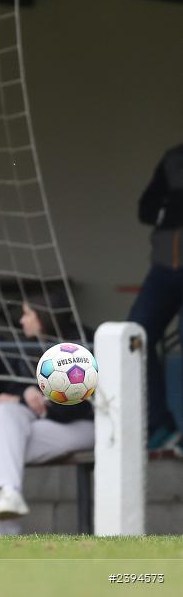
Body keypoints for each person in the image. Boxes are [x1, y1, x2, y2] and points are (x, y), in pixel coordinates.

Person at [0, 294, 94, 534]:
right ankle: (9, 492)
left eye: (28, 314)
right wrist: (26, 393)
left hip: (81, 427)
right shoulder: (27, 346)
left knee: (2, 439)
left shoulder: (77, 347)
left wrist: (30, 400)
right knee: (3, 415)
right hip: (41, 423)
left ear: (43, 318)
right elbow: (9, 392)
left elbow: (72, 410)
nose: (21, 321)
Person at [127, 141, 183, 454]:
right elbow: (146, 208)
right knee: (135, 337)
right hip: (163, 271)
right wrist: (170, 210)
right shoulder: (173, 158)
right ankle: (161, 423)